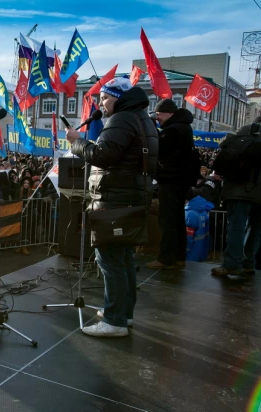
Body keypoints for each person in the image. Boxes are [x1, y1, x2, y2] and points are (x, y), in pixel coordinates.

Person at [65, 77, 158, 337]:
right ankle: (123, 313)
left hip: (115, 200)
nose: (101, 103)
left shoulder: (121, 119)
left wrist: (76, 142)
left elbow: (103, 155)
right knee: (124, 258)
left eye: (105, 97)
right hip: (131, 198)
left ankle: (115, 321)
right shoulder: (142, 118)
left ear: (118, 97)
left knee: (110, 261)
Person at [146, 98, 194, 269]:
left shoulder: (174, 130)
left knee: (167, 220)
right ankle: (179, 256)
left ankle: (165, 258)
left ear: (168, 113)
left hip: (171, 179)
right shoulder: (183, 126)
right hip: (180, 180)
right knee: (178, 219)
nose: (157, 118)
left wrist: (152, 129)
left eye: (158, 114)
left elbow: (159, 147)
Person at [211, 120, 261, 277]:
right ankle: (248, 263)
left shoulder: (244, 132)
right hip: (258, 192)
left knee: (236, 227)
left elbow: (224, 148)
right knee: (256, 228)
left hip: (239, 190)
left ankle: (232, 263)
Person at [185, 196, 214, 262]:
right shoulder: (204, 213)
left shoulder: (190, 214)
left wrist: (185, 251)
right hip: (199, 252)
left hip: (190, 255)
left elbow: (188, 237)